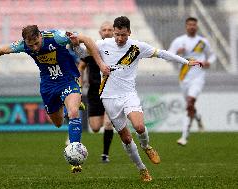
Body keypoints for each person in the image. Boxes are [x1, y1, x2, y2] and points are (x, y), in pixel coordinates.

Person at [71, 16, 202, 182]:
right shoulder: (103, 45)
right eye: (117, 34)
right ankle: (142, 169)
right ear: (114, 32)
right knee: (126, 138)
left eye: (123, 35)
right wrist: (75, 44)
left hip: (128, 94)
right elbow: (82, 53)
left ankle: (146, 146)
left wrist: (186, 62)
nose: (119, 38)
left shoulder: (137, 47)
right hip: (109, 97)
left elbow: (161, 53)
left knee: (139, 126)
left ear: (129, 33)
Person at [0, 25, 110, 173]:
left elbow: (86, 39)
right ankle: (68, 102)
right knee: (58, 123)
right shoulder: (23, 45)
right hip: (48, 86)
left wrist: (100, 63)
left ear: (40, 36)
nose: (35, 48)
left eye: (36, 43)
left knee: (74, 112)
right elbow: (3, 50)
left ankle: (75, 158)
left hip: (68, 80)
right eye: (31, 45)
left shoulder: (56, 37)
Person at [168, 17, 216, 146]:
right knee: (190, 105)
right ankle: (198, 118)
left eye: (194, 25)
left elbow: (212, 55)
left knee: (190, 102)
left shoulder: (202, 41)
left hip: (198, 78)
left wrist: (208, 62)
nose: (192, 27)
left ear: (197, 26)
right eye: (189, 24)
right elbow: (168, 56)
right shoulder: (179, 41)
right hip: (184, 78)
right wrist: (177, 53)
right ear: (186, 26)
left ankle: (184, 136)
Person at [78, 21, 114, 163]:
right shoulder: (93, 48)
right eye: (104, 30)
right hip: (94, 91)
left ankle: (105, 155)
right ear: (100, 32)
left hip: (111, 90)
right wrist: (80, 85)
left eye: (109, 29)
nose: (106, 32)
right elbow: (81, 66)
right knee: (94, 127)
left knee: (108, 123)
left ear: (114, 32)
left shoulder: (118, 49)